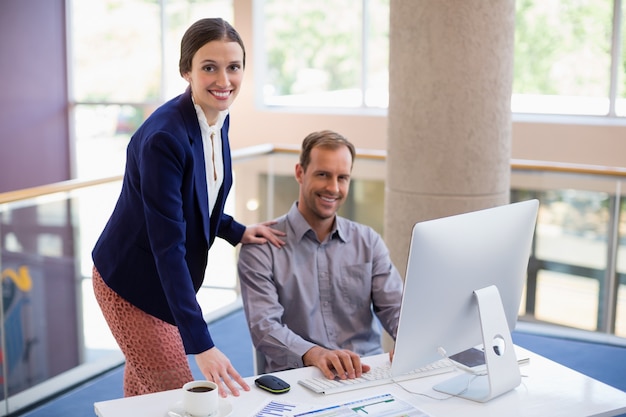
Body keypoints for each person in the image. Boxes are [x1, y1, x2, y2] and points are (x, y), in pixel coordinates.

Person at [91, 18, 284, 398]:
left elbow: (199, 199)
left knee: (143, 403)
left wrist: (235, 230)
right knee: (183, 398)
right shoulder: (166, 137)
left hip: (164, 284)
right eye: (209, 67)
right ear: (187, 71)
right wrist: (202, 344)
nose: (223, 80)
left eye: (234, 67)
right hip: (132, 285)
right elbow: (168, 245)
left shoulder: (216, 117)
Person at [237, 130, 404, 381]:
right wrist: (316, 354)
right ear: (299, 173)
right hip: (300, 379)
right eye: (323, 175)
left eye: (342, 178)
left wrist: (409, 338)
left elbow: (396, 308)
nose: (333, 188)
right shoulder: (262, 248)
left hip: (367, 373)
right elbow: (265, 328)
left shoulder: (368, 241)